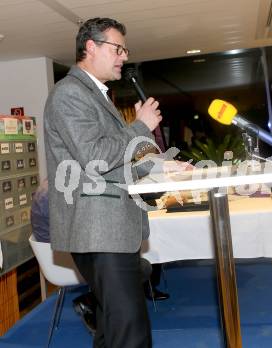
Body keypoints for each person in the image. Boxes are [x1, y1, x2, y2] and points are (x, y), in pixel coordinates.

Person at [44, 17, 164, 347]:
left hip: (109, 229)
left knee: (114, 328)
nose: (123, 56)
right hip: (99, 229)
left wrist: (159, 168)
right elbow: (94, 156)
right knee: (131, 332)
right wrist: (140, 126)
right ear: (91, 47)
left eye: (124, 50)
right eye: (117, 48)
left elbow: (110, 166)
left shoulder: (95, 94)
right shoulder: (69, 94)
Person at [30, 179, 155, 336]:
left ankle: (100, 302)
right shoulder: (63, 190)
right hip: (65, 258)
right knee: (140, 267)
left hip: (61, 253)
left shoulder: (57, 180)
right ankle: (93, 302)